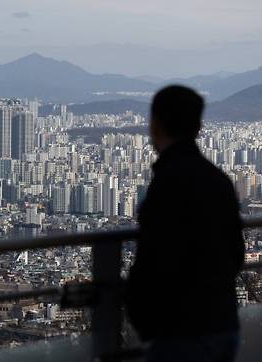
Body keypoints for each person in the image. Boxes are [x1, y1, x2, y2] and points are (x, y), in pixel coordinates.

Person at [126, 85, 245, 362]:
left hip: (180, 333)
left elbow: (153, 262)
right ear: (199, 127)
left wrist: (142, 319)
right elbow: (235, 254)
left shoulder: (167, 184)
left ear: (155, 125)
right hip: (224, 323)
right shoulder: (219, 180)